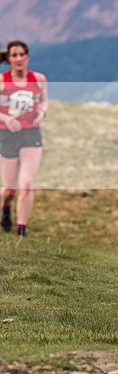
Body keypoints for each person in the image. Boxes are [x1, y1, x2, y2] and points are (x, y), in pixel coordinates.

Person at [0, 40, 48, 237]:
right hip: (7, 135)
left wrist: (42, 113)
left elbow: (44, 101)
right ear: (9, 58)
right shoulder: (2, 80)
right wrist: (6, 118)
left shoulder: (38, 79)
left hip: (31, 134)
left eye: (22, 54)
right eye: (14, 55)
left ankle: (21, 231)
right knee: (10, 189)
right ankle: (5, 208)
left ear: (27, 56)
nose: (19, 58)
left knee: (27, 184)